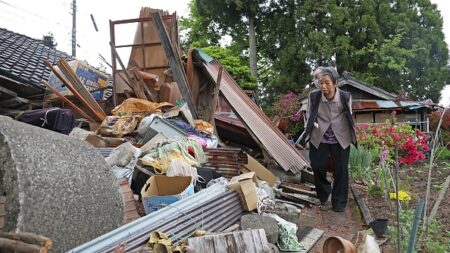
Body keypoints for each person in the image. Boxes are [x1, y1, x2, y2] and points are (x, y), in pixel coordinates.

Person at [299, 67, 357, 212]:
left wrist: (353, 136)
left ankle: (339, 203)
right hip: (320, 136)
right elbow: (310, 115)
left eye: (327, 83)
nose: (323, 86)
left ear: (335, 83)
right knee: (317, 166)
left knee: (341, 170)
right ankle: (324, 193)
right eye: (321, 83)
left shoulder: (345, 96)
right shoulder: (314, 96)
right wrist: (306, 135)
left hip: (340, 137)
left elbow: (349, 116)